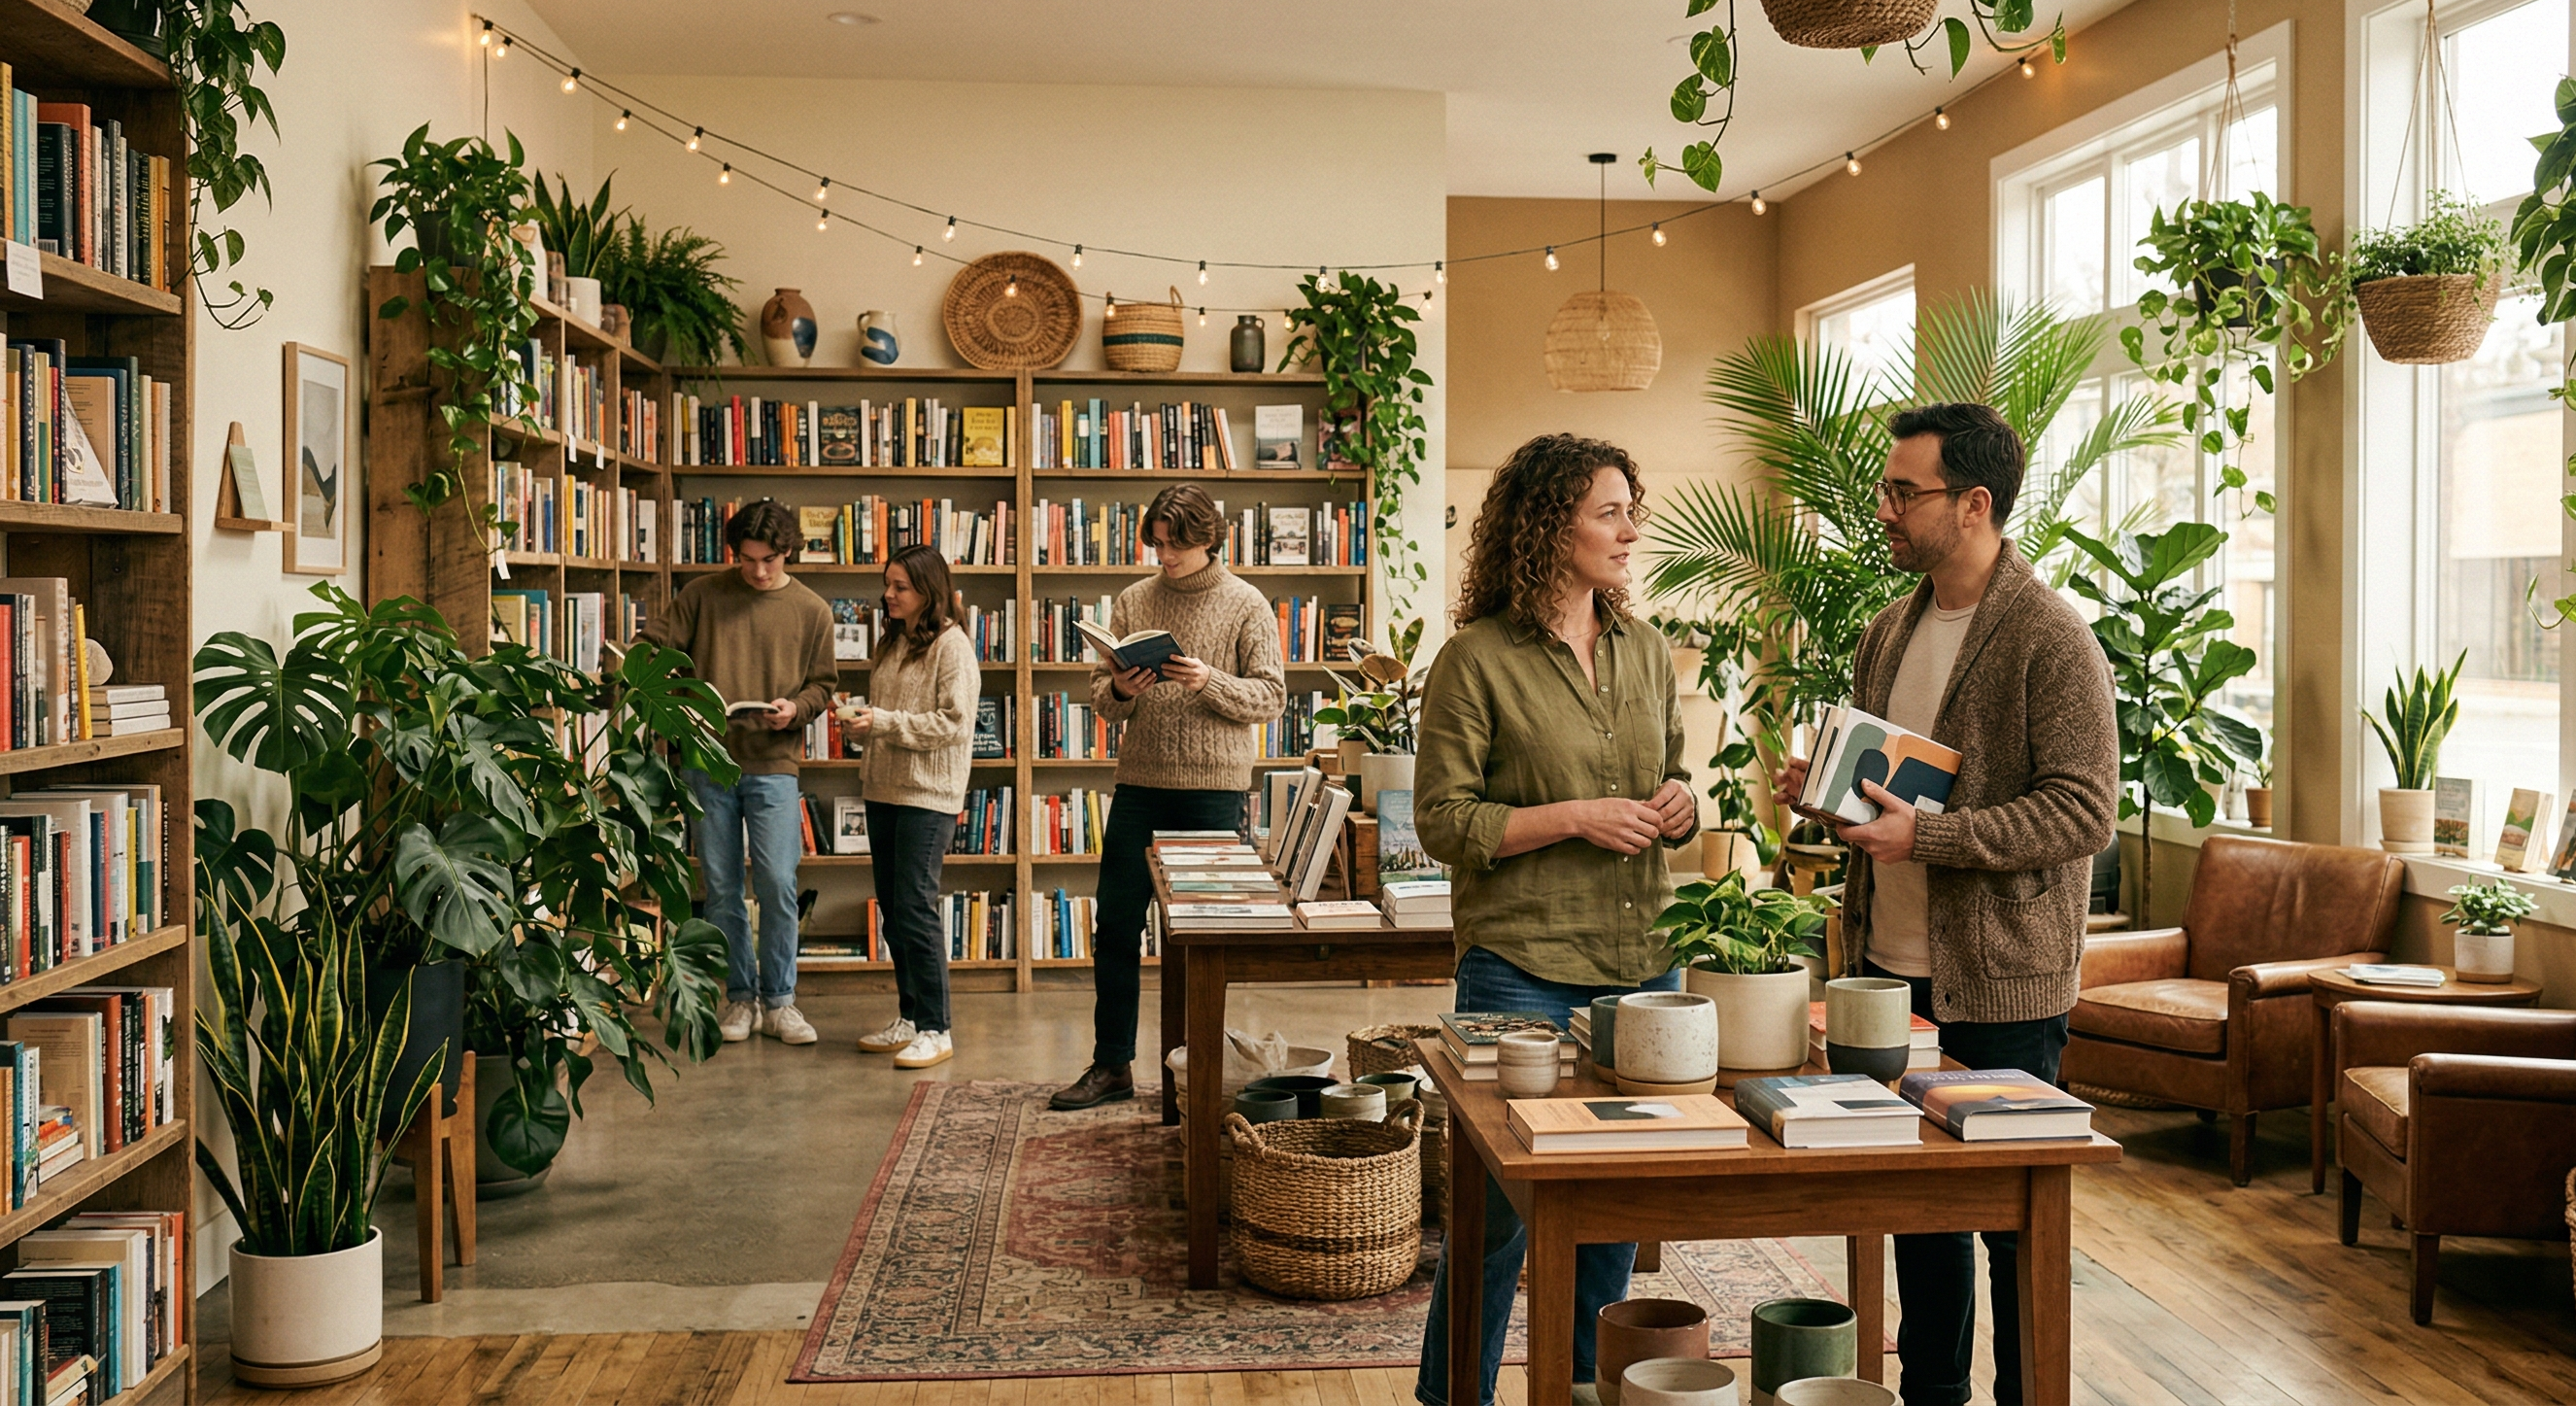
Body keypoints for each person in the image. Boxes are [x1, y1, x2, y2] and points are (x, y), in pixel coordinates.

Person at [1772, 402, 2116, 1406]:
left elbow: (2084, 809)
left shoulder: (2050, 637)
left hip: (2005, 982)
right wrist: (1829, 792)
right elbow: (1891, 791)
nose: (1881, 507)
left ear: (1972, 505)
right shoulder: (1890, 629)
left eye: (1901, 491)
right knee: (1919, 1219)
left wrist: (1929, 837)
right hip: (1887, 973)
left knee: (2011, 1229)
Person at [1411, 433, 1698, 1406]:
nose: (1630, 529)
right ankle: (1453, 1396)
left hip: (1644, 965)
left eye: (1631, 508)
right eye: (1607, 511)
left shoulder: (1647, 649)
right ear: (1546, 526)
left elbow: (1675, 777)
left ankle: (1583, 1388)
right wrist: (1576, 816)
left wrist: (1679, 806)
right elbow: (1443, 821)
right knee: (1498, 1219)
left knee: (1613, 1204)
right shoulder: (1475, 660)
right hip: (1519, 966)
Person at [1048, 483, 1285, 1112]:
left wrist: (1210, 680)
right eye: (1156, 541)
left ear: (1209, 537)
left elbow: (1270, 697)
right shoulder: (1134, 599)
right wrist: (1122, 688)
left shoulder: (1246, 603)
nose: (1164, 554)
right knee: (1117, 927)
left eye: (1176, 543)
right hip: (1140, 785)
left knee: (1201, 939)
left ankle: (1198, 1068)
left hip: (1212, 794)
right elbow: (1102, 698)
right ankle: (1112, 1064)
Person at [642, 497, 839, 1047]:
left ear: (788, 551)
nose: (757, 571)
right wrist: (672, 700)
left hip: (774, 761)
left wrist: (795, 710)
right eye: (748, 559)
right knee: (723, 886)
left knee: (777, 880)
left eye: (769, 560)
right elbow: (648, 648)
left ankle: (780, 1001)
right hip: (707, 760)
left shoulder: (813, 610)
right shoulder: (702, 595)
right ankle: (740, 997)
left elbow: (823, 685)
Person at [850, 543, 980, 1070]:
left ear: (929, 591)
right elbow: (891, 716)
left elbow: (954, 724)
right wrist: (862, 725)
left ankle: (936, 1026)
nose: (889, 594)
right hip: (882, 789)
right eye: (888, 584)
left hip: (928, 796)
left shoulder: (952, 647)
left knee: (915, 909)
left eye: (900, 586)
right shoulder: (893, 643)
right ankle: (909, 1016)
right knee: (893, 911)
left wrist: (880, 722)